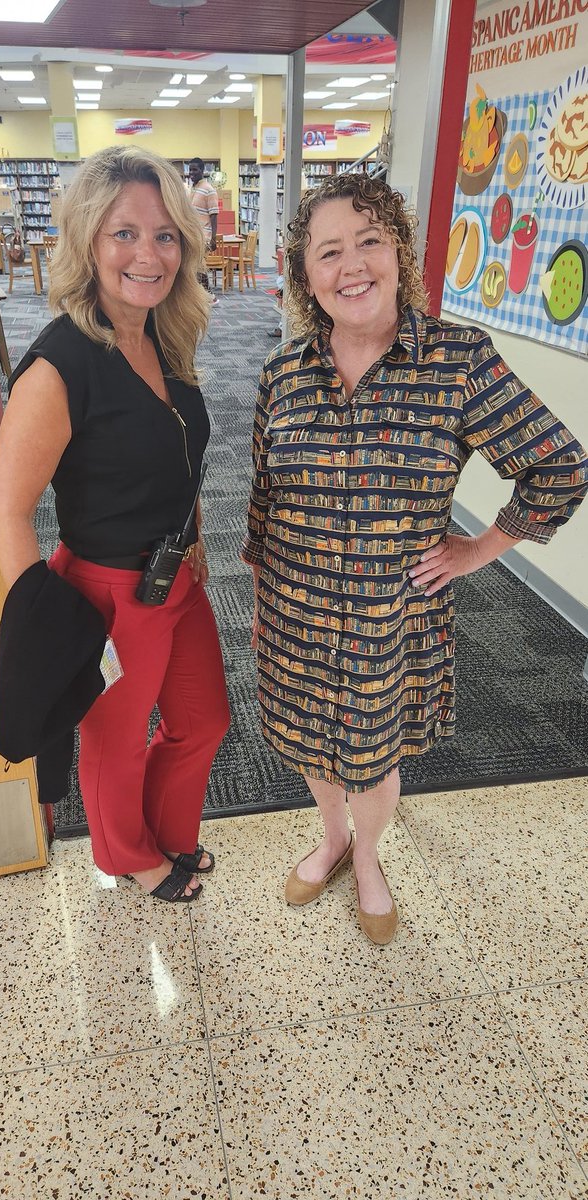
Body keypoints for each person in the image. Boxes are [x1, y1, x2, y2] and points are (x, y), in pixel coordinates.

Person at [241, 172, 588, 945]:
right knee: (308, 740)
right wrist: (263, 604)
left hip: (388, 615)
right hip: (295, 610)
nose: (352, 265)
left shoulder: (457, 360)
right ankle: (329, 837)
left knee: (371, 752)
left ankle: (368, 857)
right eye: (329, 252)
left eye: (369, 241)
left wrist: (479, 549)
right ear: (306, 275)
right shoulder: (283, 374)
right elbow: (263, 503)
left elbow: (559, 466)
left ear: (399, 253)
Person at [0, 146, 230, 903]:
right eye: (124, 233)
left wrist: (195, 541)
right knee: (115, 743)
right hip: (106, 593)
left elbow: (179, 452)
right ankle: (127, 853)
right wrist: (44, 620)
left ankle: (171, 832)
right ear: (89, 239)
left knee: (205, 720)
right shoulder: (58, 364)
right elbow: (8, 507)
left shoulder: (165, 332)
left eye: (164, 235)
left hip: (177, 575)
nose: (147, 255)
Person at [188, 156, 219, 303]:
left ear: (202, 170)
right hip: (193, 235)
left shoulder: (209, 190)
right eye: (190, 170)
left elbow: (214, 215)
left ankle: (209, 295)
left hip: (204, 236)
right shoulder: (192, 189)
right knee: (195, 265)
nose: (192, 173)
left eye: (195, 169)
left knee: (197, 265)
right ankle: (202, 295)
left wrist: (213, 238)